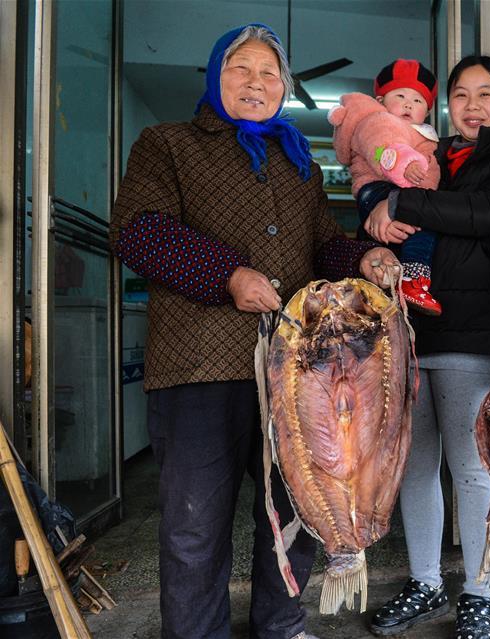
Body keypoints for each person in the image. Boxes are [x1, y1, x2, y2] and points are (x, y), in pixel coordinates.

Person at [109, 23, 393, 639]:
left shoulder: (299, 164)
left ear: (284, 87)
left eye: (270, 74)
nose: (257, 83)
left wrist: (361, 258)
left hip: (294, 375)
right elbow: (138, 229)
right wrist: (227, 275)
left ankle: (281, 623)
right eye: (242, 70)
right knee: (195, 523)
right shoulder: (168, 145)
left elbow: (323, 245)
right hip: (198, 366)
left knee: (295, 511)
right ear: (216, 76)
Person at [363, 55, 490, 639]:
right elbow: (376, 193)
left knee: (472, 471)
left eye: (485, 94)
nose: (471, 105)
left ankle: (479, 591)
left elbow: (488, 211)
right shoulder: (429, 156)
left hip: (473, 331)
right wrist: (376, 221)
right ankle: (425, 582)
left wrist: (402, 205)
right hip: (410, 333)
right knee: (415, 469)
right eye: (461, 94)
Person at [328, 59, 444, 315]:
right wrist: (405, 165)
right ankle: (413, 281)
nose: (408, 104)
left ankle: (393, 288)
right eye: (400, 96)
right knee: (419, 226)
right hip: (378, 188)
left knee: (403, 235)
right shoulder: (377, 120)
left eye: (417, 101)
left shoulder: (423, 134)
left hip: (397, 194)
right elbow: (385, 147)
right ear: (380, 101)